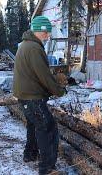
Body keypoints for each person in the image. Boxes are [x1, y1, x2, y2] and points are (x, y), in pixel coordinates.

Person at [12, 16, 66, 175]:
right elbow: (44, 75)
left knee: (33, 125)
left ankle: (30, 155)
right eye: (47, 32)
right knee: (48, 128)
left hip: (25, 96)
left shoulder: (26, 45)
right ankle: (47, 168)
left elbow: (36, 74)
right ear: (40, 30)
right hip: (32, 97)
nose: (48, 36)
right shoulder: (34, 48)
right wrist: (59, 90)